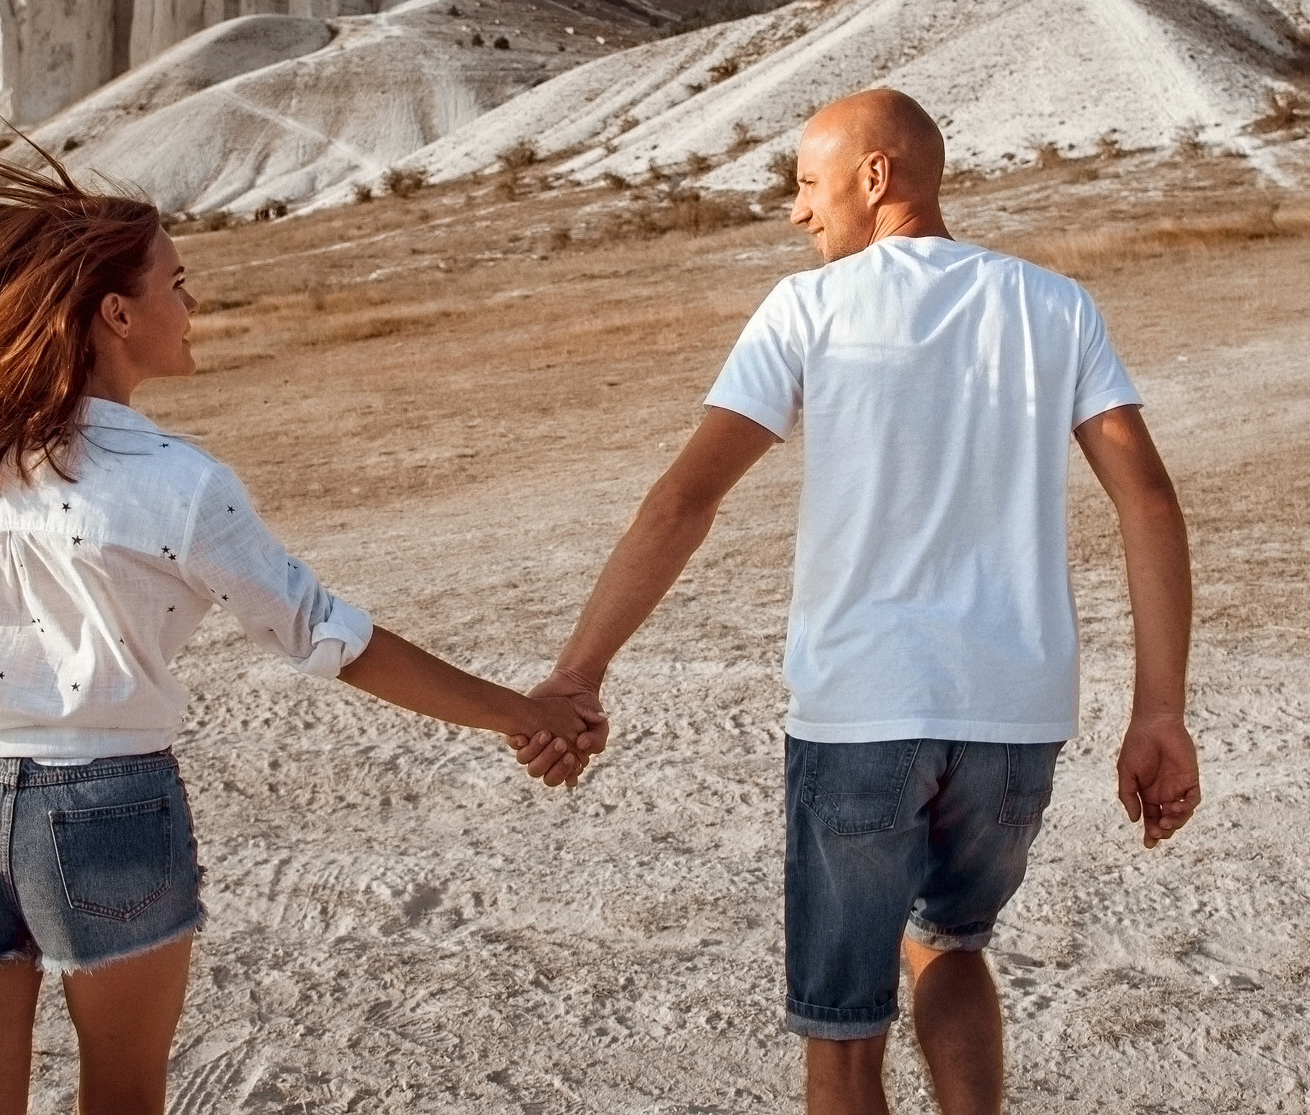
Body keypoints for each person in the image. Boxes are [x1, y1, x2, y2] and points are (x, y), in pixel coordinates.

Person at [0, 141, 592, 1115]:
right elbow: (328, 638)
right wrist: (524, 711)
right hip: (108, 809)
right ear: (117, 313)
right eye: (176, 282)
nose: (193, 304)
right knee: (126, 1097)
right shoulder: (179, 484)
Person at [513, 88, 1199, 1115]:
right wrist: (1158, 711)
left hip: (862, 711)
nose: (796, 211)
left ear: (873, 177)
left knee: (841, 1036)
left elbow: (685, 497)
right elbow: (1146, 498)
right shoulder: (1054, 304)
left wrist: (577, 672)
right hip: (1012, 715)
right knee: (950, 944)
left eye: (804, 182)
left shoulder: (807, 306)